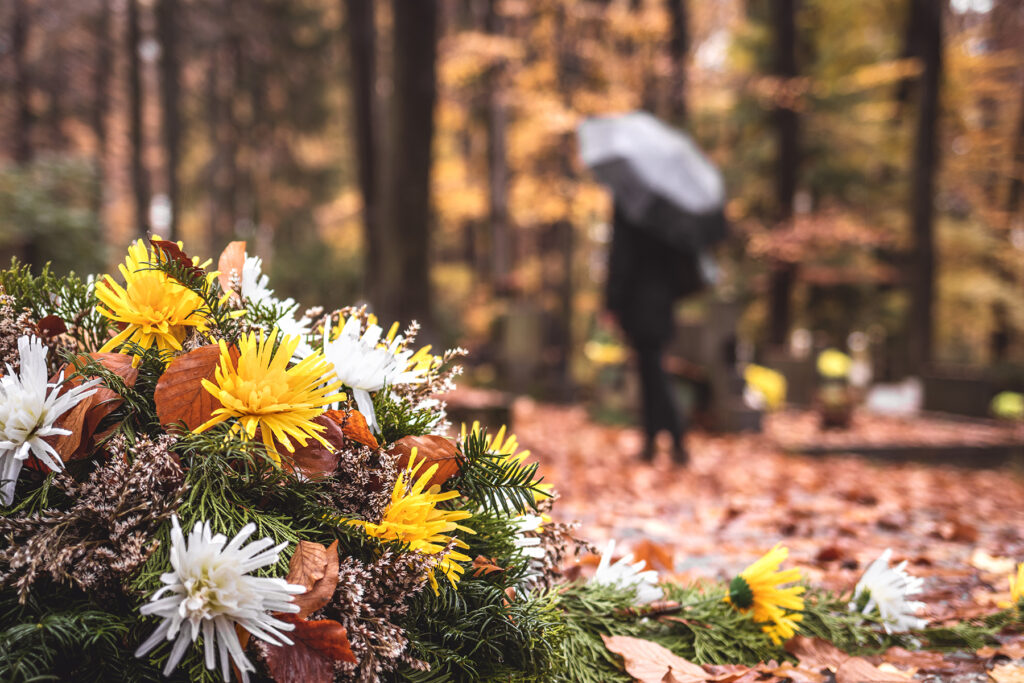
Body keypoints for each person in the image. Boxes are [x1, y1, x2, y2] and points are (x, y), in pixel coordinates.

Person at [605, 202, 698, 465]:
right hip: (663, 302)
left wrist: (612, 302)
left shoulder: (630, 206)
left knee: (652, 371)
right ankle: (653, 441)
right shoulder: (670, 208)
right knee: (651, 370)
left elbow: (620, 256)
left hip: (639, 301)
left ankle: (674, 437)